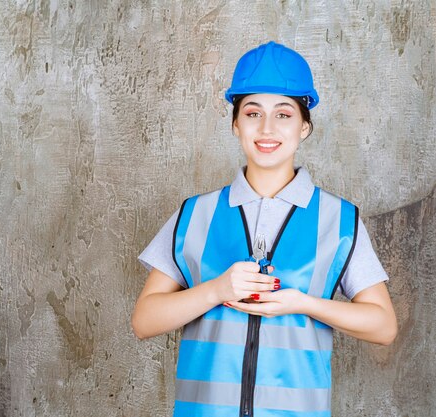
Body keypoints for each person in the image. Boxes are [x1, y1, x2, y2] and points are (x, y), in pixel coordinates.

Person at [132, 41, 397, 417]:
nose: (267, 128)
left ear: (305, 125)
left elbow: (383, 326)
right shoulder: (194, 214)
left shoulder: (339, 220)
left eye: (284, 114)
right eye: (253, 113)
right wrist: (216, 289)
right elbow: (144, 320)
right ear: (235, 123)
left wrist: (302, 303)